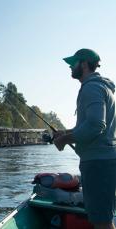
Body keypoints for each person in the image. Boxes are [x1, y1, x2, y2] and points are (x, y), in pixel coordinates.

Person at [54, 48, 116, 229]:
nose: (71, 67)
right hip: (102, 161)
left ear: (85, 64)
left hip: (98, 164)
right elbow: (90, 125)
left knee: (102, 222)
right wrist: (66, 133)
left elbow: (96, 125)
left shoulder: (92, 87)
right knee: (102, 218)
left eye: (74, 63)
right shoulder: (100, 87)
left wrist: (66, 140)